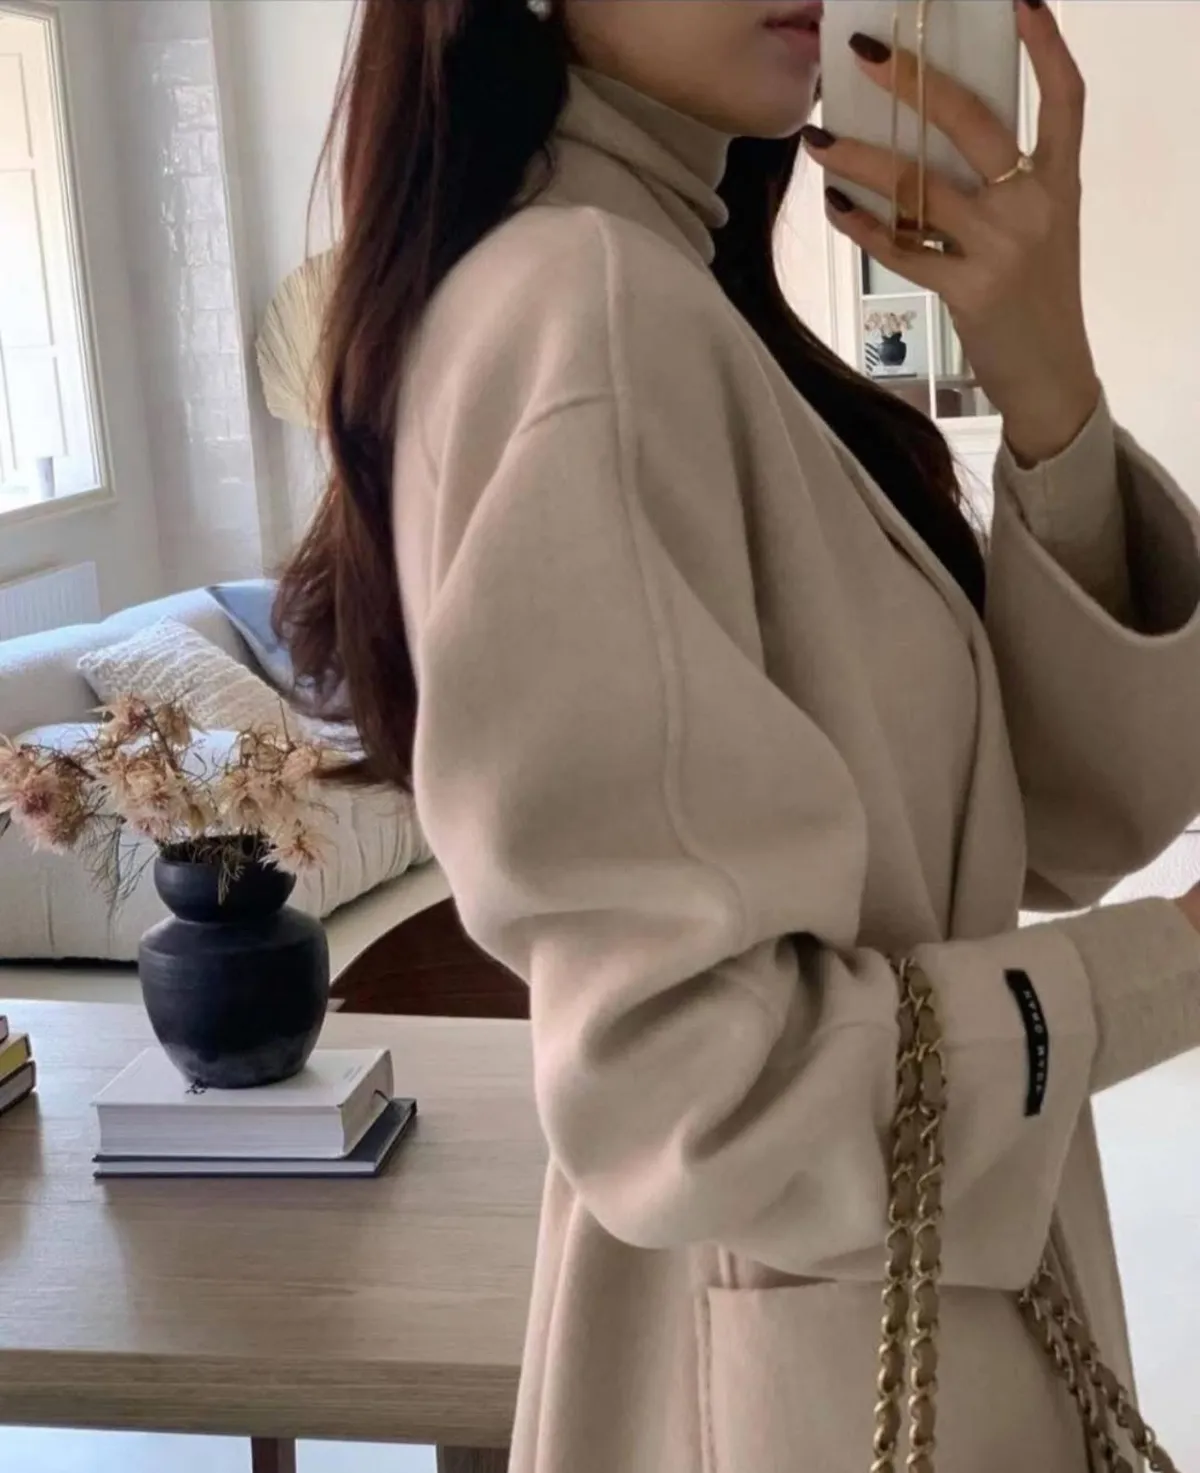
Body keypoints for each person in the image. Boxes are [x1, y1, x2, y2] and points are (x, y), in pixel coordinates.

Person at [276, 2, 1200, 1468]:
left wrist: (1048, 389)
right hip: (815, 1382)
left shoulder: (665, 292)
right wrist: (1175, 966)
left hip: (866, 1329)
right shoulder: (586, 304)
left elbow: (1064, 824)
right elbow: (692, 1091)